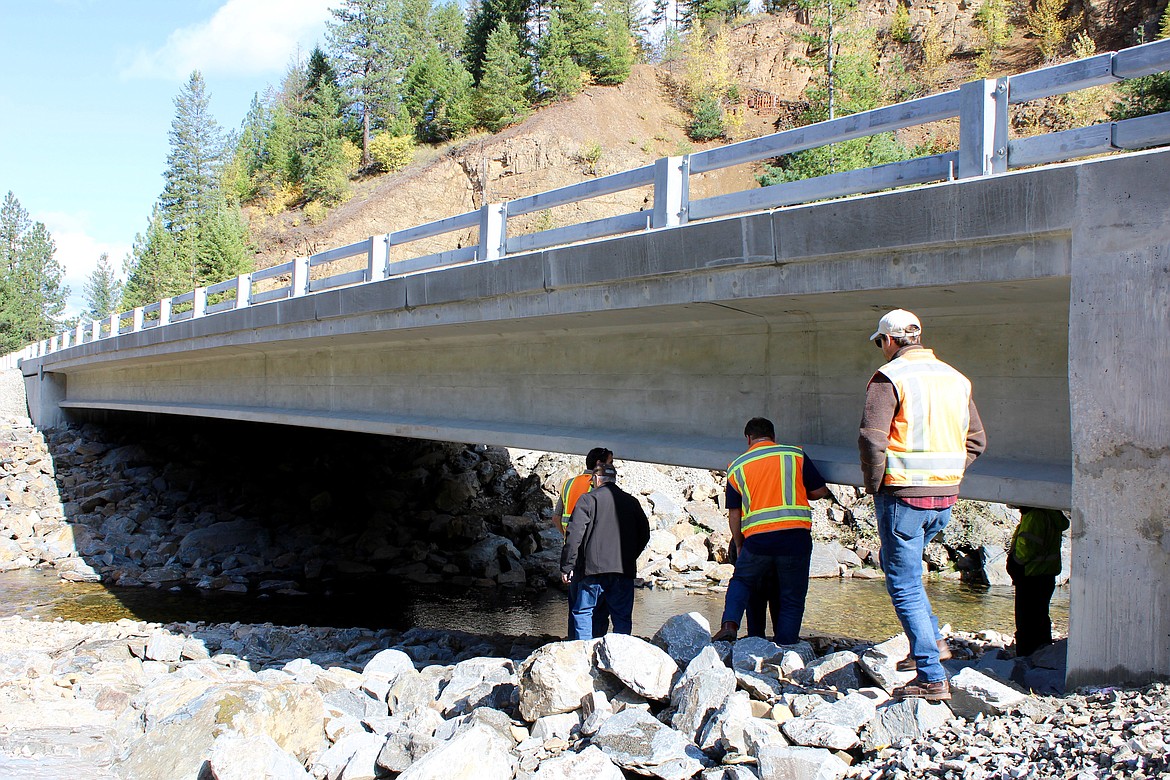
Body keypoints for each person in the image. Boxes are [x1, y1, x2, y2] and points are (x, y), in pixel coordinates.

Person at [859, 309, 986, 701]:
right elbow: (977, 441)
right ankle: (932, 644)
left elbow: (871, 438)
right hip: (944, 497)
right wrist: (949, 473)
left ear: (891, 341)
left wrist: (875, 484)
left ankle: (931, 675)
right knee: (909, 571)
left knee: (903, 582)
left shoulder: (890, 377)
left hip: (903, 496)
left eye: (880, 342)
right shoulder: (956, 378)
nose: (881, 349)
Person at [712, 417, 830, 645]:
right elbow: (820, 491)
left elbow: (734, 513)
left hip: (758, 540)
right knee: (791, 596)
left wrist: (738, 543)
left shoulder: (737, 466)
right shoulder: (794, 455)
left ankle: (729, 625)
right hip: (795, 537)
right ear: (773, 436)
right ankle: (786, 646)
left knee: (742, 582)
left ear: (748, 438)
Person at [560, 463, 650, 640]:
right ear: (614, 479)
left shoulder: (588, 500)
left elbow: (574, 535)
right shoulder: (631, 502)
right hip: (622, 571)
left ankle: (584, 654)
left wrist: (567, 566)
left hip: (592, 570)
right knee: (621, 617)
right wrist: (629, 557)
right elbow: (644, 534)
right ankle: (620, 656)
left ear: (595, 479)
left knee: (583, 611)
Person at [554, 447, 614, 639]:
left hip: (572, 554)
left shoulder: (568, 484)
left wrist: (569, 538)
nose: (613, 468)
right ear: (599, 465)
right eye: (610, 463)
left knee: (576, 608)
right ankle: (594, 649)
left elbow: (556, 518)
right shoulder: (598, 486)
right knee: (596, 608)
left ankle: (574, 646)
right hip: (594, 557)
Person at [1007, 506, 1069, 657]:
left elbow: (1027, 548)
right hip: (1044, 576)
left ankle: (1026, 657)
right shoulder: (1050, 514)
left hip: (1031, 575)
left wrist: (1014, 563)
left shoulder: (1035, 516)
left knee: (1026, 621)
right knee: (1040, 618)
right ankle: (1042, 654)